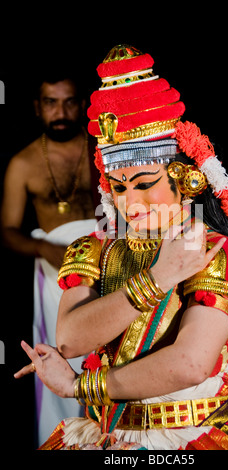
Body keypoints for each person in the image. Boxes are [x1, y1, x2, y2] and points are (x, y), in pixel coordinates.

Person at [15, 45, 228, 450]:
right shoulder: (95, 248)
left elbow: (190, 364)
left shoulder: (211, 249)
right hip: (108, 433)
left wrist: (78, 386)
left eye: (145, 184)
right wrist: (159, 276)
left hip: (199, 434)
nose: (130, 202)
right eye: (119, 187)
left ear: (186, 178)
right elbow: (71, 339)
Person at [1, 72, 99, 445]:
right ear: (37, 108)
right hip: (55, 275)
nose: (61, 111)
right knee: (63, 356)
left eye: (70, 101)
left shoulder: (100, 150)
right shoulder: (23, 163)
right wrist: (45, 247)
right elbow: (7, 231)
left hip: (106, 262)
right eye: (50, 102)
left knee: (110, 352)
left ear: (82, 104)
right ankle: (68, 440)